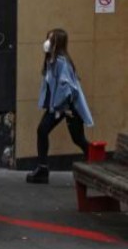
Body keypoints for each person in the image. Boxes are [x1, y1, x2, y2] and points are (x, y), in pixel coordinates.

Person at [27, 28, 94, 184]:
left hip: (68, 107)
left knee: (77, 138)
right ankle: (42, 168)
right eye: (48, 38)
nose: (47, 42)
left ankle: (96, 160)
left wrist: (61, 108)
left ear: (59, 43)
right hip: (58, 106)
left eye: (51, 39)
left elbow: (66, 87)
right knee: (43, 130)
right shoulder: (51, 61)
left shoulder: (61, 62)